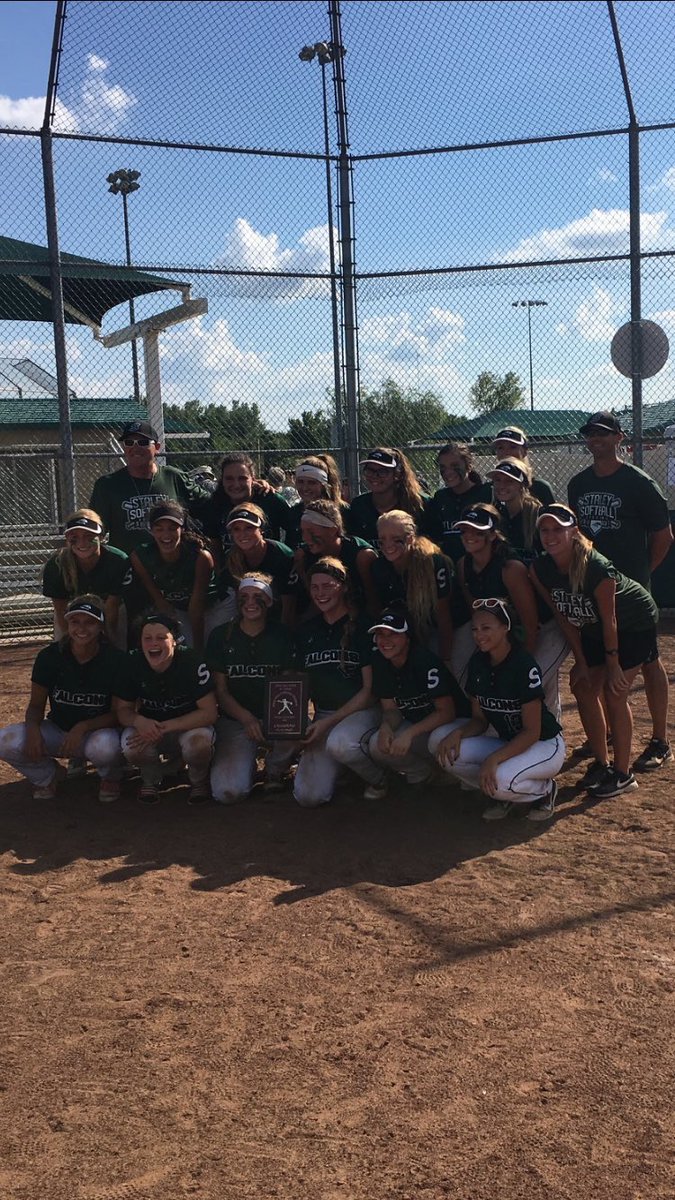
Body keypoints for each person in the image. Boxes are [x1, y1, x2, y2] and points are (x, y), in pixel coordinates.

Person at [531, 503, 660, 799]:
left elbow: (610, 619)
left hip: (633, 623)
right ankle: (602, 763)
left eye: (557, 530)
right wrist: (583, 661)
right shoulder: (540, 568)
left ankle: (623, 774)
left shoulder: (596, 567)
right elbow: (563, 616)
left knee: (615, 692)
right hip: (591, 627)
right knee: (582, 685)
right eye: (544, 530)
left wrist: (612, 665)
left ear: (573, 532)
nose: (550, 536)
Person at [567, 410, 672, 771]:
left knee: (647, 662)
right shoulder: (578, 484)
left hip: (631, 593)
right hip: (595, 591)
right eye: (590, 434)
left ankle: (660, 740)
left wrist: (640, 578)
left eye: (603, 433)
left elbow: (663, 537)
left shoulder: (638, 483)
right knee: (601, 669)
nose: (595, 439)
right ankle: (608, 734)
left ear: (619, 438)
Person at [430, 598, 565, 822]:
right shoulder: (478, 663)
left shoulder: (523, 664)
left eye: (486, 628)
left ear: (505, 628)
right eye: (474, 629)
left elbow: (532, 732)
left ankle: (544, 790)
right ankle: (503, 792)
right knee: (447, 755)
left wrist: (494, 759)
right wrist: (459, 733)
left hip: (544, 744)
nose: (478, 634)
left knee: (502, 781)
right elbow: (479, 720)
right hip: (509, 742)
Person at [0, 595, 125, 803]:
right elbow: (36, 705)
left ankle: (110, 777)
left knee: (106, 747)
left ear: (101, 626)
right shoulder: (50, 656)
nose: (81, 628)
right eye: (75, 622)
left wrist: (82, 727)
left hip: (97, 733)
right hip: (58, 730)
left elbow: (118, 714)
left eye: (90, 622)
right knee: (5, 741)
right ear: (66, 624)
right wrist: (32, 730)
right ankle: (47, 775)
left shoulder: (116, 660)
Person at [292, 557, 385, 807]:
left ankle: (380, 778)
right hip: (325, 714)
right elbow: (300, 683)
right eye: (315, 587)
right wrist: (296, 723)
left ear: (343, 586)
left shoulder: (363, 626)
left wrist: (327, 724)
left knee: (341, 743)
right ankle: (345, 768)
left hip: (364, 712)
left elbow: (369, 692)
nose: (320, 593)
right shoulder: (308, 630)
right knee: (308, 796)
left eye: (327, 585)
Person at [207, 573, 297, 804]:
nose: (250, 602)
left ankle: (275, 767)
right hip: (236, 719)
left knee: (295, 722)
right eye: (244, 596)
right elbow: (221, 691)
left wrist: (274, 719)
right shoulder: (221, 635)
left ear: (269, 601)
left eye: (258, 597)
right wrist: (246, 718)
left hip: (274, 715)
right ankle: (245, 759)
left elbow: (289, 687)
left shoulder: (283, 635)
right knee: (228, 793)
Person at [115, 612, 217, 805]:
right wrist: (139, 721)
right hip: (150, 727)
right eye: (147, 638)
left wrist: (164, 727)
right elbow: (122, 710)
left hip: (187, 726)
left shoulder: (191, 661)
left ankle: (197, 780)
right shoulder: (131, 662)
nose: (154, 643)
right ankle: (150, 778)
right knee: (132, 745)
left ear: (175, 641)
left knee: (199, 744)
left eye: (161, 638)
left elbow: (209, 712)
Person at [366, 606, 470, 790]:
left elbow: (447, 712)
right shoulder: (381, 662)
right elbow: (391, 709)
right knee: (377, 744)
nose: (385, 640)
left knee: (436, 740)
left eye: (393, 634)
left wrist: (409, 734)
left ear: (407, 637)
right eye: (380, 634)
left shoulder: (424, 661)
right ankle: (423, 772)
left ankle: (464, 780)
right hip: (421, 723)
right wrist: (386, 726)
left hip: (453, 724)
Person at [90, 420, 211, 556]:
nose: (135, 448)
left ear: (157, 447)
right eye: (129, 443)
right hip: (126, 567)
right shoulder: (107, 485)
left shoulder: (174, 477)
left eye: (143, 443)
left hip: (171, 566)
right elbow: (94, 531)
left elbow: (210, 504)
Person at [450, 505, 539, 688]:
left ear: (492, 535)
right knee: (460, 668)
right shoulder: (462, 565)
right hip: (496, 627)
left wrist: (524, 662)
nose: (469, 536)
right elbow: (474, 610)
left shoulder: (510, 568)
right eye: (465, 530)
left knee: (535, 680)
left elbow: (530, 623)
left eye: (478, 531)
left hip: (533, 628)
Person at [130, 501, 217, 651]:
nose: (166, 535)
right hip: (179, 608)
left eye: (172, 528)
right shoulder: (140, 556)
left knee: (213, 646)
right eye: (159, 529)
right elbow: (161, 602)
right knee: (180, 648)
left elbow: (197, 608)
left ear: (182, 529)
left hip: (215, 606)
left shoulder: (200, 556)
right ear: (151, 531)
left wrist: (198, 651)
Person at [372, 510, 454, 661]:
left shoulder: (433, 562)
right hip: (409, 631)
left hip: (446, 628)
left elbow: (444, 617)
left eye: (396, 539)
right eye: (382, 539)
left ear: (410, 538)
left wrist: (446, 660)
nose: (388, 545)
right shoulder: (379, 567)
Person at [42, 508, 129, 643]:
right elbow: (61, 610)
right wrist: (68, 642)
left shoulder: (117, 561)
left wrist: (111, 643)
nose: (82, 543)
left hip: (110, 609)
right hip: (73, 612)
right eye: (74, 537)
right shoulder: (57, 565)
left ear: (101, 536)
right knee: (66, 650)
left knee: (116, 648)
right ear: (67, 538)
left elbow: (112, 607)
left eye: (89, 536)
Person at [215, 504, 297, 626]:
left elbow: (289, 603)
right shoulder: (231, 559)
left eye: (249, 527)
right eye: (236, 529)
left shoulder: (281, 554)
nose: (243, 534)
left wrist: (282, 634)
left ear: (261, 529)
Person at [293, 499, 378, 613]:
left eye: (311, 532)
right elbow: (314, 601)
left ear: (333, 530)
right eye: (303, 531)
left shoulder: (361, 556)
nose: (305, 538)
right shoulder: (303, 556)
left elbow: (374, 601)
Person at [199, 451, 291, 554]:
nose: (236, 485)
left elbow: (294, 528)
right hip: (233, 566)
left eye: (242, 478)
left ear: (253, 479)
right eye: (229, 479)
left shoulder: (270, 499)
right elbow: (215, 545)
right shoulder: (216, 504)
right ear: (222, 480)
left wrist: (289, 556)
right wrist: (222, 569)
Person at [345, 447, 428, 548]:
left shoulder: (418, 503)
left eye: (382, 471)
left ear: (397, 474)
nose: (375, 476)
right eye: (370, 470)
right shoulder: (359, 505)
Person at [423, 441, 491, 564]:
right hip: (448, 566)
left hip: (479, 565)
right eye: (443, 467)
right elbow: (434, 535)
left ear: (469, 465)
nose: (448, 472)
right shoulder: (440, 497)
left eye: (454, 466)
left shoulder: (485, 494)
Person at [284, 455, 345, 549]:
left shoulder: (342, 511)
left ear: (323, 485)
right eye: (300, 482)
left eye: (311, 483)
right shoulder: (294, 512)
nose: (305, 488)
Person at [492, 426, 555, 506]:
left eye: (512, 447)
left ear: (525, 451)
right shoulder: (490, 489)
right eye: (500, 448)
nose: (506, 452)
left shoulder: (540, 488)